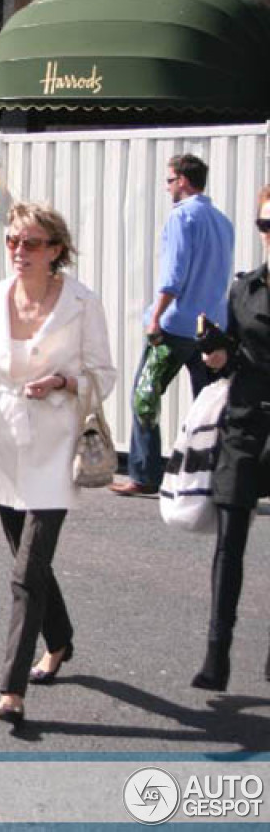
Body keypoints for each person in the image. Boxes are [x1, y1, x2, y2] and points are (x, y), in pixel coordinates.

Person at [0, 202, 116, 724]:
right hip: (4, 442)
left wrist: (61, 381)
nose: (18, 251)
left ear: (56, 249)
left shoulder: (81, 303)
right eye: (12, 240)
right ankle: (61, 642)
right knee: (27, 562)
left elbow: (105, 373)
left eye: (30, 243)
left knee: (27, 571)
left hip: (56, 446)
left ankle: (11, 689)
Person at [111, 154, 234, 497]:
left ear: (182, 180)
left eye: (169, 181)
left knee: (144, 395)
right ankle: (212, 476)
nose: (167, 188)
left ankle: (144, 474)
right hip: (211, 328)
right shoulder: (223, 221)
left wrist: (155, 318)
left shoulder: (182, 217)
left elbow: (173, 276)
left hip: (176, 325)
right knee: (208, 404)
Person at [189, 184, 270, 691]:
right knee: (229, 544)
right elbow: (234, 354)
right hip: (244, 422)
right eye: (266, 225)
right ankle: (216, 654)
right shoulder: (244, 290)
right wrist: (217, 354)